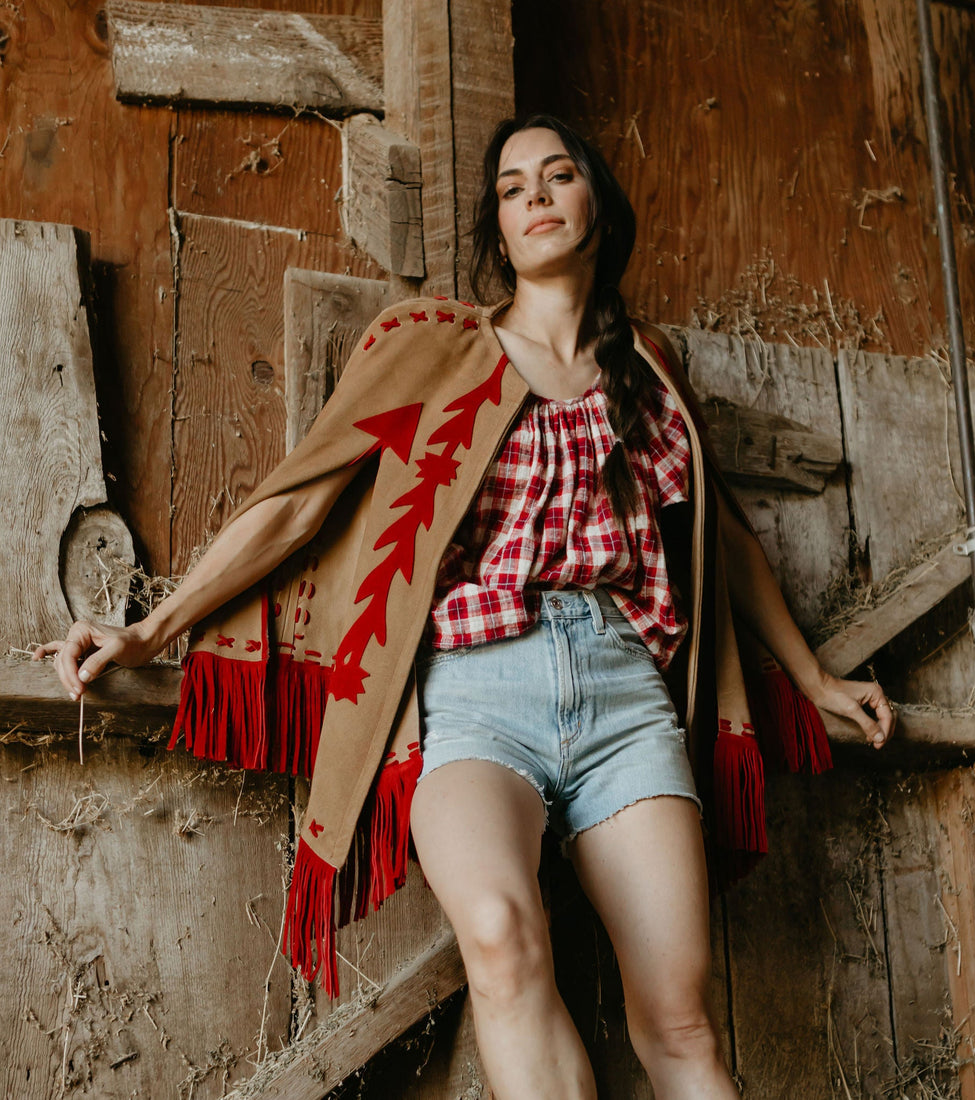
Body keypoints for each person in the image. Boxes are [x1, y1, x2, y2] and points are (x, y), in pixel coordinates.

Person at [35, 114, 895, 1099]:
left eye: (556, 175)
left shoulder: (646, 367)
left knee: (680, 1016)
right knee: (497, 935)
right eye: (510, 185)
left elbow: (721, 538)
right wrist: (151, 623)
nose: (532, 194)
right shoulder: (436, 352)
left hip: (624, 693)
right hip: (476, 692)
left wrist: (812, 672)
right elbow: (297, 501)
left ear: (595, 207)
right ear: (498, 227)